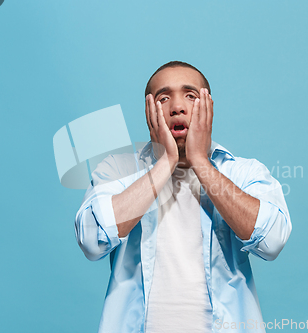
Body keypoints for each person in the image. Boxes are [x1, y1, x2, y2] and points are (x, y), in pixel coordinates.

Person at [74, 61, 292, 333]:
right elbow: (92, 241)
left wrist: (201, 162)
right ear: (149, 112)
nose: (177, 107)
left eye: (190, 95)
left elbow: (271, 242)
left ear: (209, 107)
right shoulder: (116, 170)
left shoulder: (244, 172)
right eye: (163, 98)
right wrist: (165, 163)